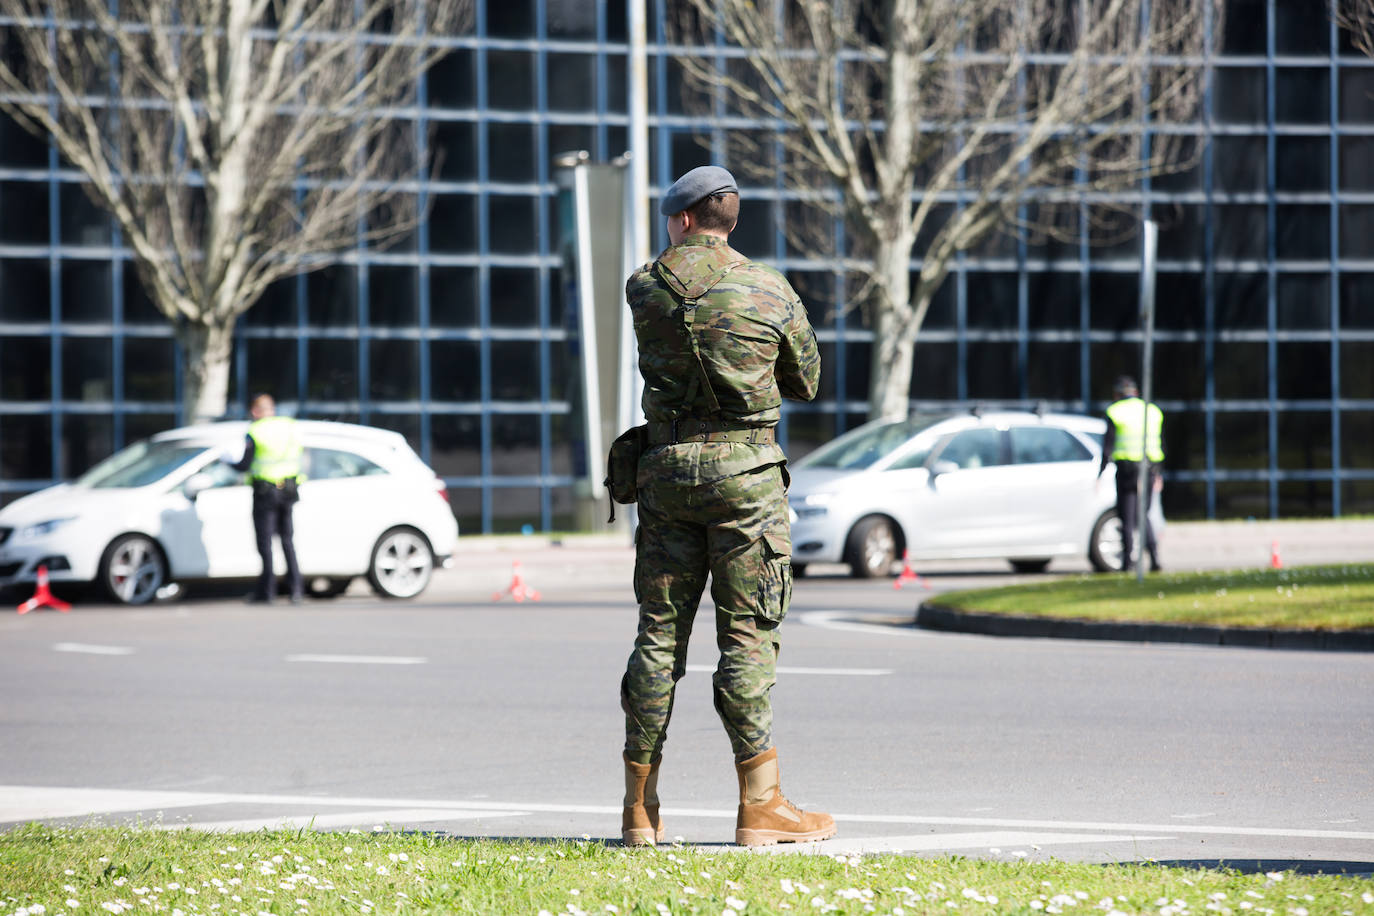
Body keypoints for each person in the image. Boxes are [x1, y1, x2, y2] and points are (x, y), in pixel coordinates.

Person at [618, 165, 832, 848]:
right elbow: (806, 382)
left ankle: (639, 810)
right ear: (728, 218)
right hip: (747, 480)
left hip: (667, 474)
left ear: (681, 220)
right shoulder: (768, 287)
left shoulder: (644, 288)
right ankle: (760, 807)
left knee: (658, 637)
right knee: (745, 637)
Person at [227, 393, 304, 604]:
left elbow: (244, 464)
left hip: (265, 492)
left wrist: (228, 462)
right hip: (289, 488)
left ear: (254, 411)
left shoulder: (255, 431)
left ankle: (267, 592)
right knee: (288, 541)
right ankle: (296, 589)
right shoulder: (290, 426)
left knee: (265, 543)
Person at [1100, 375, 1164, 573]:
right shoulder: (1152, 411)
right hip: (1149, 470)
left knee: (1127, 518)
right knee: (1143, 515)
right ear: (1136, 392)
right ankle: (1154, 559)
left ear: (1117, 394)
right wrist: (1159, 474)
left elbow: (1107, 447)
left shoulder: (1115, 411)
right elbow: (1159, 443)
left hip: (1127, 471)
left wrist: (1100, 473)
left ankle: (1127, 563)